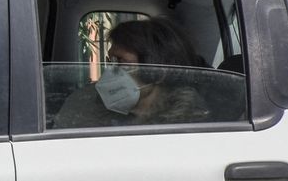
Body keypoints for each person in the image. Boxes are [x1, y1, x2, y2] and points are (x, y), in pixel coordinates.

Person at [53, 16, 210, 128]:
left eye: (122, 62)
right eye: (111, 61)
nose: (111, 72)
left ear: (158, 71)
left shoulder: (191, 124)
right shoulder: (84, 107)